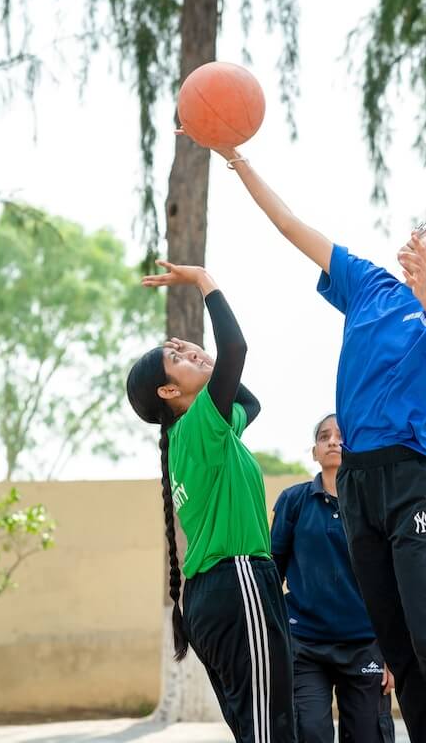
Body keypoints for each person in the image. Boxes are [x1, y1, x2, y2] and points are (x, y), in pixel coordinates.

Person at [216, 146, 426, 743]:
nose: (418, 233)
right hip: (360, 485)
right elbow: (293, 227)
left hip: (413, 479)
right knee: (396, 643)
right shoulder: (368, 285)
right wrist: (239, 163)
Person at [126, 261, 295, 743]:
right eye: (176, 356)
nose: (186, 352)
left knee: (258, 728)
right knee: (272, 732)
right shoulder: (197, 426)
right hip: (237, 580)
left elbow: (252, 404)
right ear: (168, 391)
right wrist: (203, 281)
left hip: (215, 594)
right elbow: (237, 348)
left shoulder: (205, 431)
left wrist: (205, 359)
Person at [271, 414, 395, 743]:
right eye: (324, 436)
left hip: (366, 646)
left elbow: (394, 583)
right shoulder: (293, 502)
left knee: (369, 736)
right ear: (314, 451)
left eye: (340, 435)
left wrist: (393, 653)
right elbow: (272, 572)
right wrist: (274, 642)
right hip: (305, 646)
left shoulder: (378, 502)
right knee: (309, 731)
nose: (332, 441)